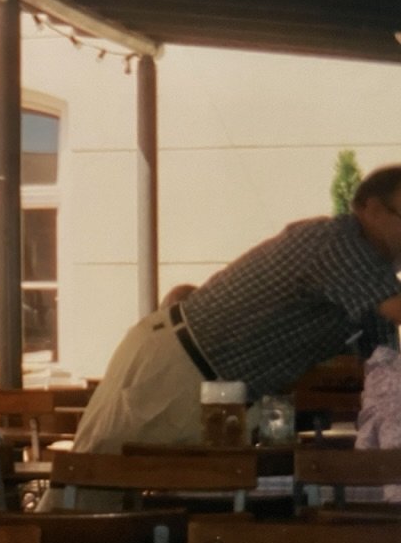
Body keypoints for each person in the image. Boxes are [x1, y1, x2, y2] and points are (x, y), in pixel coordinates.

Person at [73, 165, 401, 456]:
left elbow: (387, 367)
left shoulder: (375, 278)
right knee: (93, 498)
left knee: (180, 512)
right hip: (180, 371)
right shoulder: (341, 241)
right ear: (371, 208)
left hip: (217, 391)